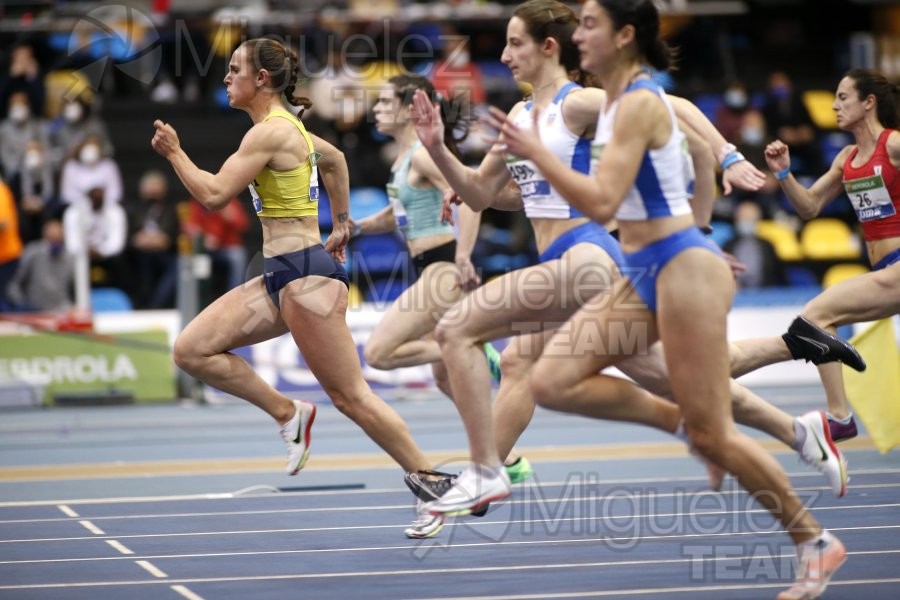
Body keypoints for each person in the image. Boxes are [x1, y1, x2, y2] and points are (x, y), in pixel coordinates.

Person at [408, 0, 845, 527]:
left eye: (515, 42)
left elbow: (671, 106)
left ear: (549, 48)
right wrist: (436, 148)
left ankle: (483, 473)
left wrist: (726, 152)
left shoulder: (578, 103)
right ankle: (800, 431)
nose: (503, 55)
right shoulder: (522, 117)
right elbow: (479, 194)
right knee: (667, 378)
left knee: (457, 329)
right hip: (570, 261)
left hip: (587, 257)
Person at [150, 36, 440, 481]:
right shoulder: (293, 130)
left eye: (234, 70)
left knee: (350, 397)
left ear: (261, 79)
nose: (226, 78)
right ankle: (287, 412)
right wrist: (342, 223)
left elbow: (212, 194)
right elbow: (337, 160)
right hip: (280, 276)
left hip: (306, 278)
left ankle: (430, 478)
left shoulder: (270, 132)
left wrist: (174, 152)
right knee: (191, 350)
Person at [729, 68, 900, 443]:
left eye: (843, 97)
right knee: (819, 323)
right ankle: (838, 415)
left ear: (868, 102)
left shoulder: (894, 146)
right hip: (884, 268)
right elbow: (808, 207)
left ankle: (839, 417)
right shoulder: (846, 159)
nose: (835, 106)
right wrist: (785, 174)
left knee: (816, 316)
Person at [6, 218, 74, 311]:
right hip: (35, 310)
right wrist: (23, 306)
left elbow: (75, 290)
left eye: (57, 239)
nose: (54, 243)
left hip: (62, 311)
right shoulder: (33, 252)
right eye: (51, 238)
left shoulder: (69, 258)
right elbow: (14, 286)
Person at [723, 200, 786, 288]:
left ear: (758, 220)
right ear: (736, 219)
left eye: (751, 218)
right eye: (744, 218)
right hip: (736, 292)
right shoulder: (728, 245)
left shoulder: (767, 245)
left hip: (765, 293)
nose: (747, 221)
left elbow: (778, 272)